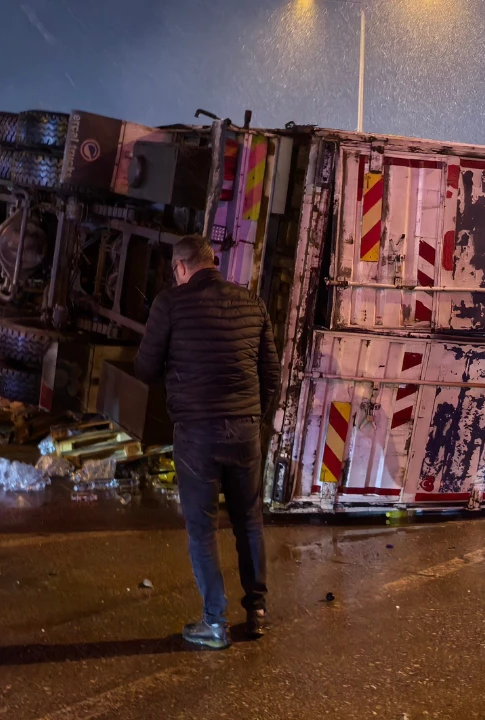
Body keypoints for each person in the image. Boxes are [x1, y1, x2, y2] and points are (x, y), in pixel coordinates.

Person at [135, 234, 280, 650]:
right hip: (245, 430)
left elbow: (144, 368)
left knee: (202, 530)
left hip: (197, 434)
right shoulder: (251, 303)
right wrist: (253, 415)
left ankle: (214, 622)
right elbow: (271, 374)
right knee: (248, 521)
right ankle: (257, 610)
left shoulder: (170, 304)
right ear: (212, 261)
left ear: (181, 268)